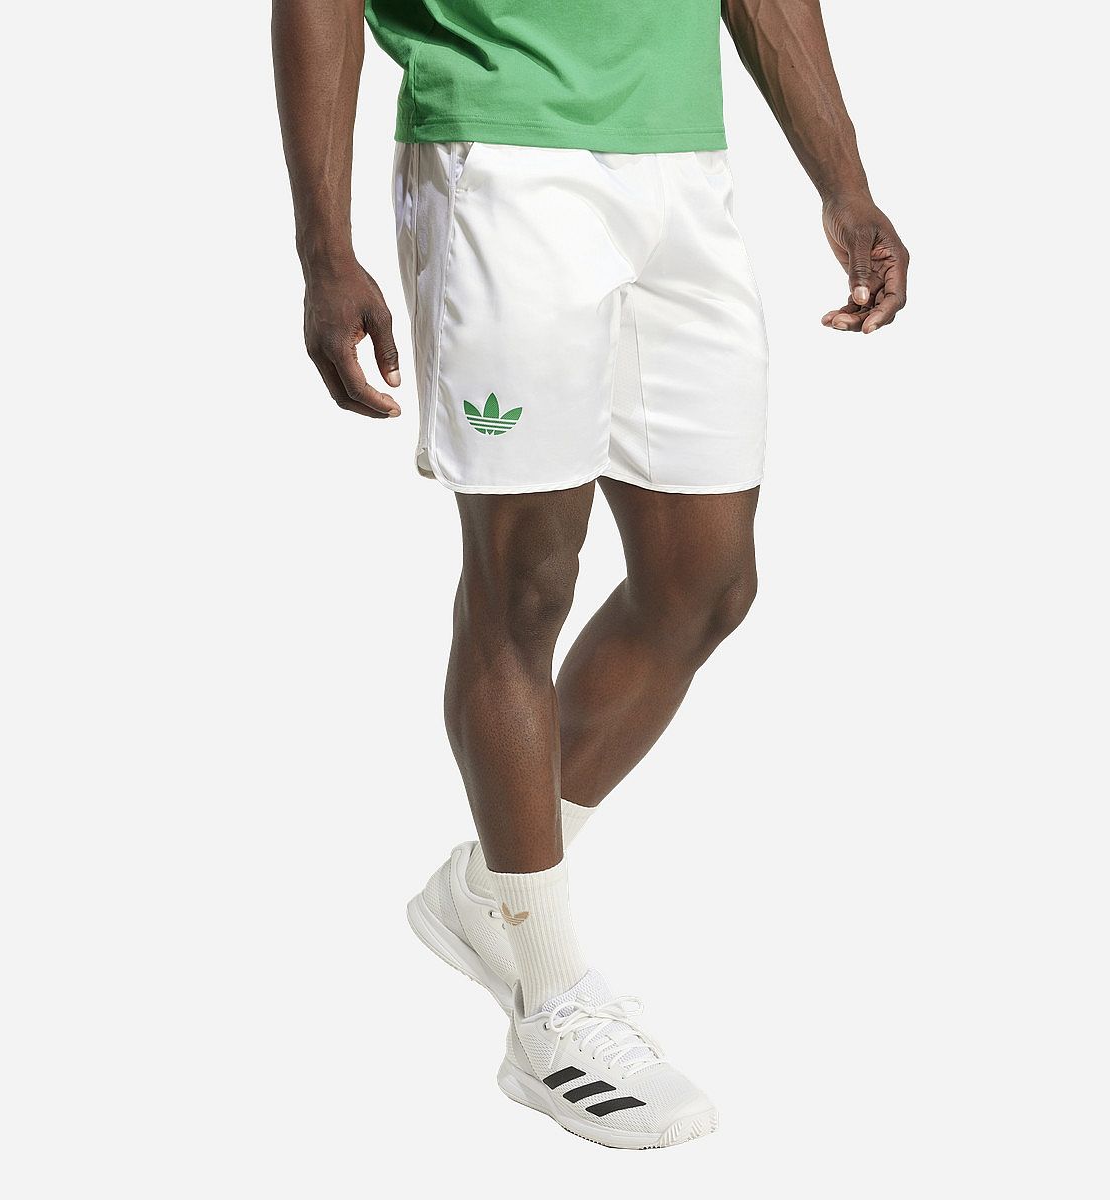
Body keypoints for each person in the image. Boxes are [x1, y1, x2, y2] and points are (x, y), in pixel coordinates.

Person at [271, 0, 908, 1149]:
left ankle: (493, 889)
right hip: (500, 161)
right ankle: (548, 997)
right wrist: (325, 249)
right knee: (524, 586)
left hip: (682, 165)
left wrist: (844, 183)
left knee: (704, 584)